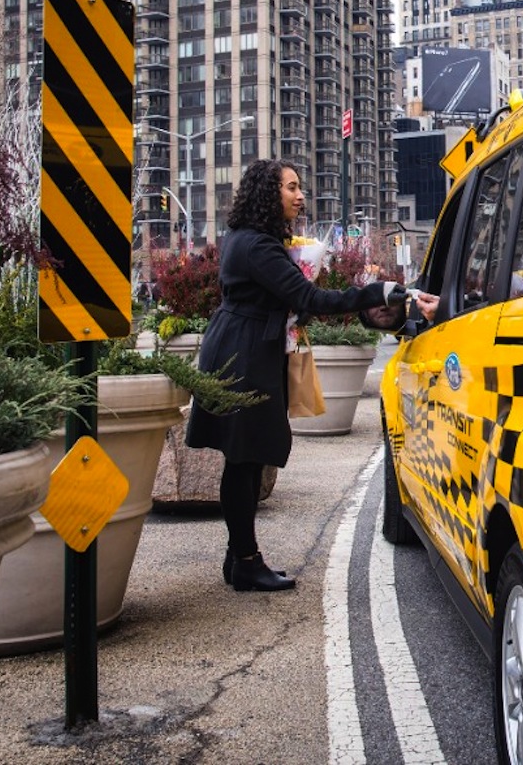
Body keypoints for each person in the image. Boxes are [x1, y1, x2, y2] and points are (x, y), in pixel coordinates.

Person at [184, 159, 435, 592]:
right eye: (292, 188)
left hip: (239, 344)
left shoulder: (245, 240)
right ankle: (245, 560)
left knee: (243, 459)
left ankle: (238, 555)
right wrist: (378, 292)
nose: (300, 196)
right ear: (269, 193)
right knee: (244, 458)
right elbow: (308, 296)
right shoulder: (258, 246)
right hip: (244, 353)